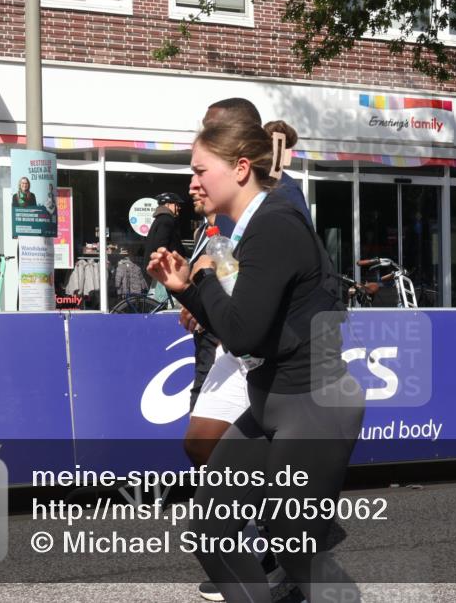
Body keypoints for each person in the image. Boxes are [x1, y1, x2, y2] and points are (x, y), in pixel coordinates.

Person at [148, 115, 364, 603]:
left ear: (240, 168)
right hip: (271, 403)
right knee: (211, 526)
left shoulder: (274, 224)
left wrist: (195, 285)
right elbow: (239, 324)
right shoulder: (254, 226)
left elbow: (243, 333)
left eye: (201, 170)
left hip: (314, 406)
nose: (193, 181)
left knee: (294, 545)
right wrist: (187, 288)